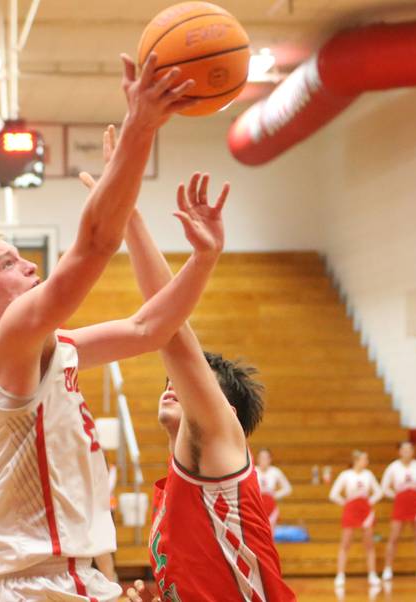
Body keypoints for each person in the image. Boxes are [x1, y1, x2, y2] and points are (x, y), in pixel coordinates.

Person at [0, 54, 204, 601]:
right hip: (39, 583)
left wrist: (206, 257)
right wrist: (140, 126)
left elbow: (151, 327)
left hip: (70, 576)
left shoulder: (50, 348)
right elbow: (96, 245)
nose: (30, 266)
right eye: (8, 263)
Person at [116, 172, 296, 601]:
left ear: (225, 414)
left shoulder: (221, 447)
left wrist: (126, 211)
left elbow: (170, 329)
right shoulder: (182, 484)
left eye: (188, 384)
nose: (172, 385)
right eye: (171, 382)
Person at [329, 450, 383, 588]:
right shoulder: (345, 475)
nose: (367, 462)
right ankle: (340, 574)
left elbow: (379, 492)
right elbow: (333, 494)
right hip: (351, 510)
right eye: (365, 459)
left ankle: (372, 574)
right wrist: (346, 503)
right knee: (345, 543)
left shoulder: (368, 474)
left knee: (369, 543)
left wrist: (369, 502)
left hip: (365, 511)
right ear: (356, 460)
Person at [380, 441, 416, 581]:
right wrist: (397, 496)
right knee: (394, 536)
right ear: (399, 452)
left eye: (410, 449)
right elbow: (384, 487)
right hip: (400, 504)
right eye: (404, 450)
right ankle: (388, 568)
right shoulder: (393, 467)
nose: (407, 452)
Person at [255, 448, 292, 529]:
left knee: (270, 533)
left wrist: (274, 495)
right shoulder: (253, 471)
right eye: (261, 457)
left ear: (270, 459)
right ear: (258, 459)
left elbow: (288, 489)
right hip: (256, 507)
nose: (263, 460)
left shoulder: (275, 471)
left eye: (266, 458)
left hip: (270, 507)